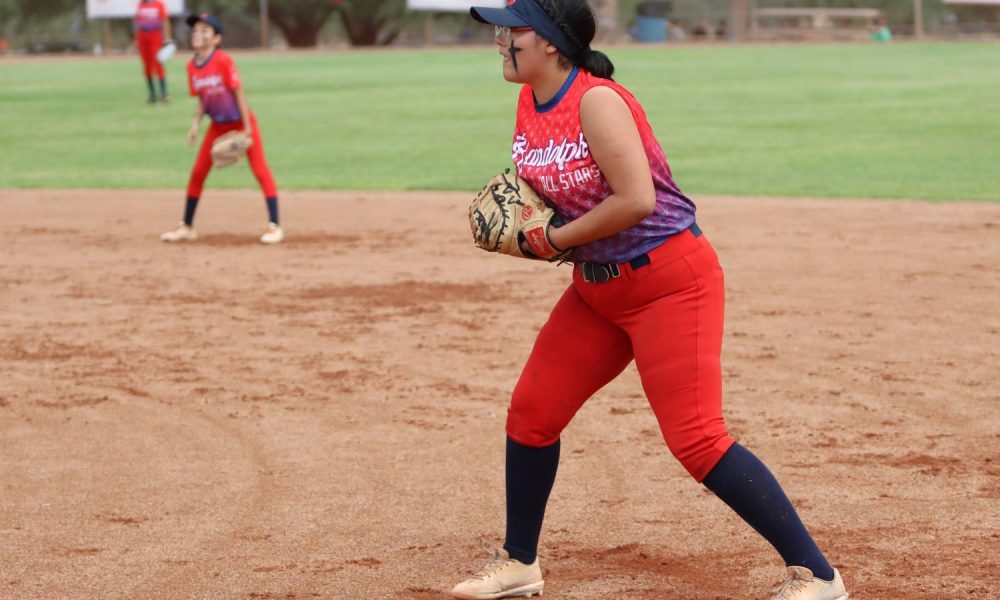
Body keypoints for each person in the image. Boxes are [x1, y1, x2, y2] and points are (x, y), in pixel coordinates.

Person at [451, 1, 849, 599]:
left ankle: (817, 575)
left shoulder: (597, 101)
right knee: (532, 414)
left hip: (669, 280)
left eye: (514, 30)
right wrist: (528, 219)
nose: (501, 41)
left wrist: (551, 238)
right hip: (597, 289)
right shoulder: (530, 100)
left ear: (553, 43)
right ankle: (519, 563)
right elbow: (558, 186)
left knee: (696, 438)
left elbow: (635, 198)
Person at [161, 13, 284, 245]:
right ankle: (187, 226)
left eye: (204, 30)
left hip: (241, 123)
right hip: (217, 126)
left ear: (216, 38)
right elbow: (202, 99)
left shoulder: (223, 60)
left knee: (260, 170)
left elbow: (239, 93)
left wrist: (247, 129)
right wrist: (195, 124)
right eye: (195, 30)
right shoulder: (192, 66)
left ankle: (274, 226)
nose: (197, 34)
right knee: (198, 173)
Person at [134, 0, 172, 103]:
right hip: (143, 37)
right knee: (147, 66)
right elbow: (137, 23)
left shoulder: (159, 4)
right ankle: (152, 95)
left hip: (155, 36)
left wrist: (167, 38)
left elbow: (165, 21)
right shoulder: (141, 4)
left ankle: (164, 94)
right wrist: (137, 40)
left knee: (158, 63)